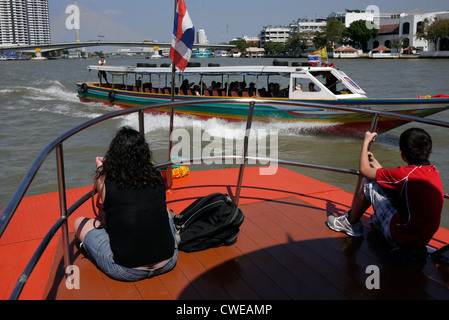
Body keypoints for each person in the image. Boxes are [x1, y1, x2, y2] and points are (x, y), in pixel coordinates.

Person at [74, 127, 178, 281]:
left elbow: (103, 204)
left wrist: (100, 170)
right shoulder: (155, 175)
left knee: (79, 223)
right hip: (168, 260)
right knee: (165, 210)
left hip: (127, 270)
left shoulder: (105, 179)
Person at [327, 128, 444, 262]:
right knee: (375, 218)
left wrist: (365, 143)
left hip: (403, 237)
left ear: (402, 155)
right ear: (428, 150)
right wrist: (374, 161)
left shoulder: (405, 175)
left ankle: (350, 223)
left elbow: (364, 171)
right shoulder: (433, 172)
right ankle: (406, 247)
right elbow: (391, 179)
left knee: (370, 183)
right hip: (422, 239)